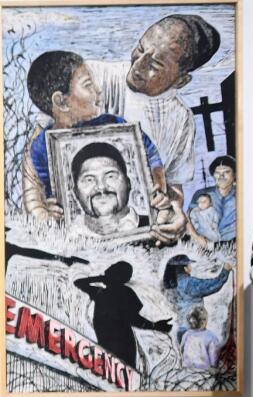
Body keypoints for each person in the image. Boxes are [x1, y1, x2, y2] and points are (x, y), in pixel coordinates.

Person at [87, 15, 222, 202]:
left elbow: (174, 188)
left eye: (156, 65)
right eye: (140, 49)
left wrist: (174, 213)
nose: (138, 66)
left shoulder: (181, 119)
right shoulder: (89, 78)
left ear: (181, 81)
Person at [21, 50, 165, 224]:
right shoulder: (42, 147)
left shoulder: (117, 126)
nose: (98, 89)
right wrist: (49, 213)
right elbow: (42, 198)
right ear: (61, 102)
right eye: (88, 84)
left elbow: (152, 157)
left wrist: (157, 193)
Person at [73, 261, 173, 369]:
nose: (108, 267)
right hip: (113, 342)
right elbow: (78, 282)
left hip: (121, 343)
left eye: (112, 267)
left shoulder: (114, 292)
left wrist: (99, 278)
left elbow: (133, 318)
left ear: (115, 274)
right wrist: (154, 325)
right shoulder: (101, 292)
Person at [161, 253, 232, 341]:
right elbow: (214, 284)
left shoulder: (170, 285)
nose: (191, 267)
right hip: (192, 331)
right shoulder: (189, 284)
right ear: (185, 268)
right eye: (189, 265)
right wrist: (225, 270)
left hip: (180, 330)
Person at [189, 155, 238, 244]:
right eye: (217, 173)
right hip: (204, 243)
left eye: (226, 172)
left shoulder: (241, 195)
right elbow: (188, 220)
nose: (221, 176)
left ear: (234, 174)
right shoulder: (201, 194)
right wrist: (196, 237)